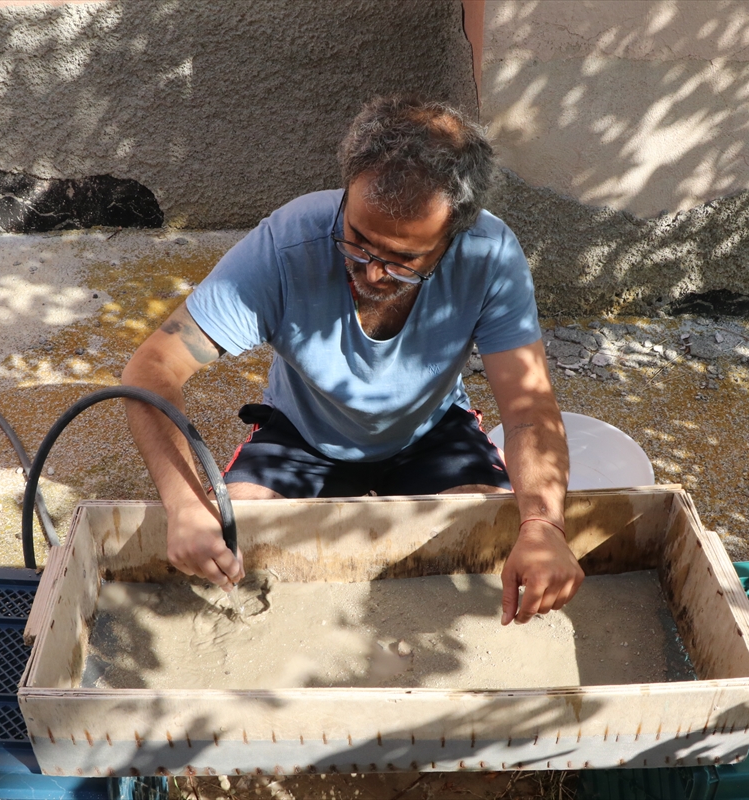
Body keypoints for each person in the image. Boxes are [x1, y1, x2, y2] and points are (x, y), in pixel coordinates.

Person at [122, 96, 583, 625]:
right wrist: (184, 506)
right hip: (301, 436)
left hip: (431, 434)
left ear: (452, 237)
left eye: (404, 260)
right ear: (346, 191)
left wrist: (544, 527)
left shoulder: (489, 256)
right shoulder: (283, 246)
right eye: (358, 240)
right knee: (222, 550)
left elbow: (527, 411)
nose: (372, 273)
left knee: (500, 549)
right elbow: (152, 369)